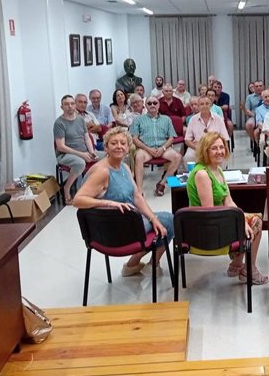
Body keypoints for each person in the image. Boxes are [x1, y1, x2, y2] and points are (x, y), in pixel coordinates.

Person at [73, 127, 174, 277]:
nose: (119, 146)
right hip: (116, 230)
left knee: (160, 222)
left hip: (126, 223)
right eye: (114, 143)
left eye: (123, 143)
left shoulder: (125, 167)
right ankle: (150, 263)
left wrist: (152, 218)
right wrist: (109, 203)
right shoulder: (102, 171)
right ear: (106, 147)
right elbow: (77, 200)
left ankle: (134, 265)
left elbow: (137, 197)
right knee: (170, 221)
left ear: (128, 148)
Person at [186, 132, 268, 285]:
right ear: (205, 151)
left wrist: (242, 218)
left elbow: (228, 201)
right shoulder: (202, 174)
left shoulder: (217, 170)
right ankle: (249, 271)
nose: (220, 152)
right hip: (206, 227)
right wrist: (240, 221)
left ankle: (237, 265)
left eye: (221, 147)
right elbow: (209, 211)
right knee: (255, 222)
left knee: (252, 219)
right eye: (214, 148)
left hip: (217, 219)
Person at [130, 95, 182, 197]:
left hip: (162, 147)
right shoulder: (138, 120)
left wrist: (163, 148)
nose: (152, 105)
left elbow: (171, 137)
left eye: (155, 103)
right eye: (149, 103)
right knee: (139, 157)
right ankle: (139, 190)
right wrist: (148, 149)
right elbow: (134, 138)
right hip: (145, 148)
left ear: (159, 105)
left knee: (178, 157)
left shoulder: (166, 119)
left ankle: (162, 184)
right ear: (145, 106)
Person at [54, 95, 100, 204]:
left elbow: (86, 137)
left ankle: (95, 189)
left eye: (72, 103)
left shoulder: (80, 120)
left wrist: (92, 152)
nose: (70, 106)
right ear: (62, 107)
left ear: (75, 105)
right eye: (66, 104)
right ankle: (66, 189)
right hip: (65, 155)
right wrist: (82, 154)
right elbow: (61, 146)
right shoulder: (59, 123)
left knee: (108, 157)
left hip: (84, 151)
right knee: (80, 163)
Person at [184, 95, 229, 165]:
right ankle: (194, 175)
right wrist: (198, 148)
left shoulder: (218, 119)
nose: (204, 106)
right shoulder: (193, 119)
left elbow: (225, 138)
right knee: (188, 157)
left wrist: (217, 147)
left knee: (222, 159)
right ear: (198, 106)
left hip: (215, 146)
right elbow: (187, 140)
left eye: (207, 104)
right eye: (202, 104)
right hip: (198, 146)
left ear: (211, 105)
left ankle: (217, 175)